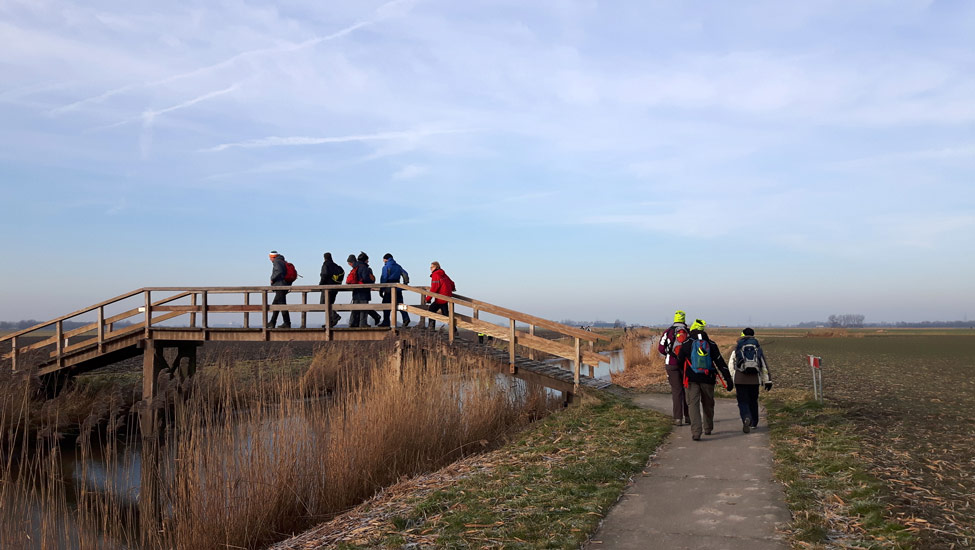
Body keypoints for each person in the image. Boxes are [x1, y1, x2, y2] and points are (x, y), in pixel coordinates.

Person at [676, 319, 734, 441]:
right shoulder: (711, 344)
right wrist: (728, 379)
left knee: (693, 405)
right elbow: (720, 362)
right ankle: (708, 428)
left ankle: (696, 432)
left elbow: (679, 361)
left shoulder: (686, 343)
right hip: (708, 378)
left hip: (691, 379)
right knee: (708, 404)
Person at [727, 328, 773, 433]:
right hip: (754, 380)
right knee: (753, 401)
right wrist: (767, 381)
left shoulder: (737, 347)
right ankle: (754, 423)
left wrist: (732, 378)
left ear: (742, 335)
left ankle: (746, 418)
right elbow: (763, 366)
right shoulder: (757, 348)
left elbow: (731, 365)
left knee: (742, 401)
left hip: (740, 379)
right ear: (753, 335)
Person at [657, 310, 690, 426]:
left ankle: (678, 418)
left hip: (671, 364)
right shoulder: (688, 332)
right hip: (686, 365)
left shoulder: (668, 332)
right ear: (684, 320)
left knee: (677, 391)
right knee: (687, 389)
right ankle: (688, 416)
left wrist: (669, 353)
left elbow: (661, 348)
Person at [346, 252, 379, 327]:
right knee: (364, 308)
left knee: (355, 308)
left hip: (356, 291)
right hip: (363, 291)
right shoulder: (364, 268)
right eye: (367, 260)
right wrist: (371, 281)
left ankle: (353, 323)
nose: (368, 261)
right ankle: (363, 324)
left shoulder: (355, 267)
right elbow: (365, 278)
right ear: (365, 260)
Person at [379, 253, 411, 327]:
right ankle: (406, 318)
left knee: (386, 305)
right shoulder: (398, 266)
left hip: (389, 288)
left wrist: (382, 289)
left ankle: (386, 321)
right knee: (400, 303)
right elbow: (405, 274)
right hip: (398, 287)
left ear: (385, 259)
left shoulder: (386, 267)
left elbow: (384, 278)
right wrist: (405, 283)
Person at [425, 261, 454, 330]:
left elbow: (434, 288)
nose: (430, 269)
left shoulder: (436, 275)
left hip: (441, 298)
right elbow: (452, 283)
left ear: (435, 267)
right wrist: (452, 289)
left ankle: (431, 328)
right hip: (446, 297)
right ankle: (454, 329)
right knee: (445, 314)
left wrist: (428, 299)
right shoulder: (443, 274)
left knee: (431, 309)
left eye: (431, 267)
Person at [318, 252, 344, 328]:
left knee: (323, 304)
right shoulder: (335, 266)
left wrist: (320, 285)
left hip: (327, 288)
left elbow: (324, 275)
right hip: (335, 288)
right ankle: (330, 322)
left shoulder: (326, 265)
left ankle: (335, 316)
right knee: (330, 305)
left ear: (325, 258)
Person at [267, 251, 292, 328]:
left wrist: (272, 278)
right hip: (283, 285)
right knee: (277, 304)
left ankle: (287, 323)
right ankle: (272, 322)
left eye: (270, 257)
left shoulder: (277, 262)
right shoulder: (282, 261)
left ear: (272, 257)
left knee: (281, 305)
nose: (269, 259)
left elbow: (279, 271)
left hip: (280, 286)